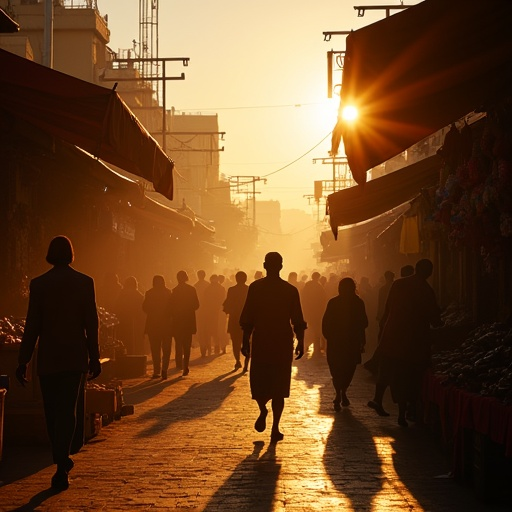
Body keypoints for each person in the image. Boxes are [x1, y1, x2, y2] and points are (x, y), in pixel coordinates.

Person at [16, 235, 101, 491]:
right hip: (74, 356)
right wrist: (94, 355)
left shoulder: (39, 284)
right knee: (68, 411)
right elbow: (91, 323)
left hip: (50, 358)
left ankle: (61, 461)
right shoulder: (85, 283)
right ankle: (62, 462)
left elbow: (32, 325)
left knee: (52, 412)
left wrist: (24, 360)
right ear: (71, 254)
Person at [240, 252, 307, 442]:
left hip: (261, 341)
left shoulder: (255, 288)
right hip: (281, 343)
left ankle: (263, 410)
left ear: (264, 265)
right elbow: (298, 320)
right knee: (279, 387)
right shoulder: (290, 290)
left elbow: (248, 319)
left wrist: (245, 341)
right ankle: (275, 427)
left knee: (260, 384)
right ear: (281, 266)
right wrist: (300, 341)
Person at [368, 259, 442, 426]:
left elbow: (387, 309)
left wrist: (384, 327)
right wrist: (439, 321)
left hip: (392, 335)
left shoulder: (398, 284)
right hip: (413, 342)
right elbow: (434, 318)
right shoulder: (426, 290)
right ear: (429, 273)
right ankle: (403, 413)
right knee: (408, 377)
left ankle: (378, 399)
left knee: (387, 370)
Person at [322, 278, 368, 411]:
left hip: (336, 342)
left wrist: (329, 337)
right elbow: (364, 323)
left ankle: (339, 392)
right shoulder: (358, 303)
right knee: (348, 369)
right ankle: (342, 392)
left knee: (336, 369)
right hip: (351, 343)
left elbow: (325, 323)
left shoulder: (333, 302)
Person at [142, 275, 173, 379]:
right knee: (166, 348)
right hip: (166, 325)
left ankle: (156, 370)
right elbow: (173, 308)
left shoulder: (149, 293)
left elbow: (145, 308)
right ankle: (164, 369)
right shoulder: (168, 293)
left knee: (155, 349)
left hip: (153, 325)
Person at [171, 271, 199, 376]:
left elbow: (171, 307)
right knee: (187, 345)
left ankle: (179, 363)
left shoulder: (174, 291)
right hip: (188, 321)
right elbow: (197, 305)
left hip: (178, 321)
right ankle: (186, 365)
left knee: (178, 343)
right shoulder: (191, 290)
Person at [223, 271, 249, 371]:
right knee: (247, 341)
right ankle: (246, 362)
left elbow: (226, 304)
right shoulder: (249, 289)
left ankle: (237, 360)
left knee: (235, 342)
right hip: (247, 320)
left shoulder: (232, 290)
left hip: (234, 319)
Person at [114, 276, 145, 355]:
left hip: (123, 321)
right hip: (136, 323)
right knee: (135, 342)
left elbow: (117, 307)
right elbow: (143, 310)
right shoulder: (139, 295)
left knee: (124, 340)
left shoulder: (122, 294)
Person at [301, 271, 327, 357]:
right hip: (317, 312)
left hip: (309, 311)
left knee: (309, 329)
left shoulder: (307, 285)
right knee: (316, 330)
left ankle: (305, 346)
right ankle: (316, 348)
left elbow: (303, 298)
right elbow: (323, 299)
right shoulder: (319, 287)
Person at [203, 274, 226, 355]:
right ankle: (217, 346)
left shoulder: (209, 289)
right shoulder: (220, 288)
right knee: (217, 329)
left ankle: (215, 346)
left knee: (214, 329)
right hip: (216, 312)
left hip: (214, 312)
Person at [194, 270, 210, 357]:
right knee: (207, 329)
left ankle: (203, 348)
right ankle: (207, 346)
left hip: (199, 311)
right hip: (207, 311)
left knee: (201, 330)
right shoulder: (208, 285)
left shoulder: (195, 286)